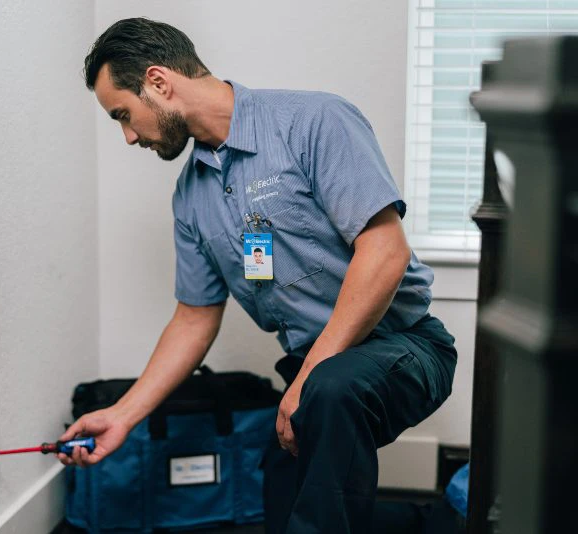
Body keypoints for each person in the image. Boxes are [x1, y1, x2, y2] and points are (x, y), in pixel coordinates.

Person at [58, 17, 457, 534]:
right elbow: (194, 318)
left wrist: (310, 377)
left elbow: (384, 250)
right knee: (285, 495)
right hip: (315, 375)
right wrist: (123, 414)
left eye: (123, 115)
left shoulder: (313, 121)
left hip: (403, 348)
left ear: (158, 82)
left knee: (329, 396)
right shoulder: (190, 198)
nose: (129, 136)